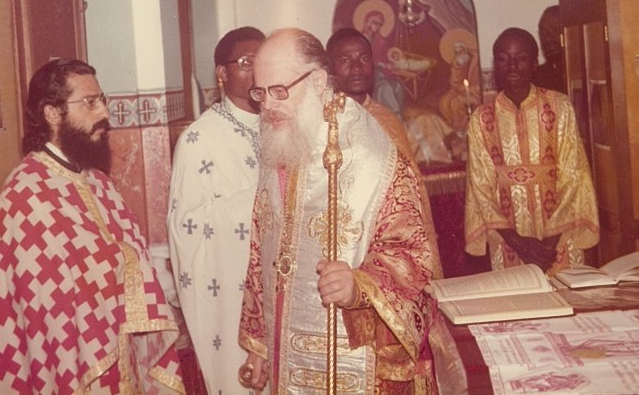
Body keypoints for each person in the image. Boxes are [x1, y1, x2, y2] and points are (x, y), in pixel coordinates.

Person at [238, 28, 441, 393]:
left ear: (318, 81)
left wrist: (359, 288)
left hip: (358, 361)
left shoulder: (371, 153)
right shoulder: (282, 138)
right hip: (287, 352)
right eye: (260, 92)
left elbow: (412, 253)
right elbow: (262, 250)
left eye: (279, 90)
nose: (267, 105)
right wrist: (260, 345)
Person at [0, 58, 184, 394]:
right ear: (53, 113)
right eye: (90, 103)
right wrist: (118, 263)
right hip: (71, 357)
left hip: (118, 344)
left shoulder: (97, 181)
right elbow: (46, 304)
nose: (104, 112)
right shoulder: (25, 194)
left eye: (102, 100)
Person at [167, 27, 266, 394]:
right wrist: (259, 202)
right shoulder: (199, 139)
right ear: (222, 73)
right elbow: (186, 230)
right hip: (230, 296)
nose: (257, 71)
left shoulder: (281, 125)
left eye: (263, 61)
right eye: (246, 62)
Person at [464, 28, 599, 274]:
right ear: (495, 66)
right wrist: (518, 243)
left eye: (521, 58)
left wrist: (549, 243)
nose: (512, 66)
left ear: (535, 63)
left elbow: (574, 175)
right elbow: (480, 187)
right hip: (508, 239)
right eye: (503, 59)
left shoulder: (559, 107)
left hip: (558, 237)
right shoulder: (481, 119)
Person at [326, 27, 443, 279]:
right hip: (340, 240)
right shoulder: (322, 123)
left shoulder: (387, 119)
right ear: (330, 70)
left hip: (387, 238)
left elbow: (413, 189)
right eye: (345, 60)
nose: (356, 67)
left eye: (363, 58)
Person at [532, 5, 567, 93]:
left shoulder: (585, 73)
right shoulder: (535, 77)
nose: (547, 39)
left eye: (554, 31)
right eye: (543, 33)